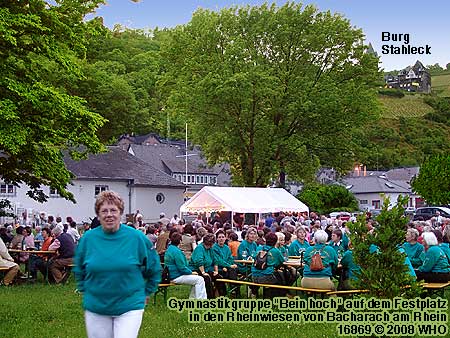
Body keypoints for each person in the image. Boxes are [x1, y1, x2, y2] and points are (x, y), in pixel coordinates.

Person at [74, 191, 161, 338]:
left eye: (113, 210)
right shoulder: (88, 239)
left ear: (120, 212)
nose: (109, 214)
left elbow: (154, 268)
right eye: (104, 211)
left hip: (129, 305)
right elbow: (79, 268)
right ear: (98, 214)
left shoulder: (137, 238)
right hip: (96, 307)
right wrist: (84, 289)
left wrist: (147, 291)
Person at [164, 232, 207, 299]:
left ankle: (192, 299)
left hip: (171, 275)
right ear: (180, 241)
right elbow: (182, 267)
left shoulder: (170, 249)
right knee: (200, 279)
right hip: (176, 276)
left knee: (196, 280)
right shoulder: (176, 251)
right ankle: (201, 301)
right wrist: (191, 272)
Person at [252, 232, 286, 298]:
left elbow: (253, 257)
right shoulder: (275, 251)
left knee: (278, 274)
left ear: (265, 240)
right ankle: (279, 296)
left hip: (254, 276)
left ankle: (254, 292)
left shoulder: (259, 248)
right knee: (281, 277)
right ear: (276, 241)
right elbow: (282, 261)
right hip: (266, 277)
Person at [189, 233, 221, 299]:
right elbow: (199, 262)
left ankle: (221, 296)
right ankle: (210, 298)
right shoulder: (199, 248)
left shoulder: (211, 249)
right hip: (196, 269)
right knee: (207, 278)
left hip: (206, 269)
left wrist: (216, 271)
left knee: (219, 277)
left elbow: (215, 260)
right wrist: (203, 272)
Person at [212, 231, 237, 296]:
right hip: (217, 268)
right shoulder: (214, 248)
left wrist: (227, 266)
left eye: (223, 237)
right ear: (217, 239)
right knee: (228, 271)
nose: (221, 239)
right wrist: (228, 266)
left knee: (234, 269)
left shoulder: (227, 247)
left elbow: (230, 258)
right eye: (219, 237)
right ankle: (231, 289)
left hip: (227, 267)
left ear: (225, 238)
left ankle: (233, 289)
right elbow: (218, 260)